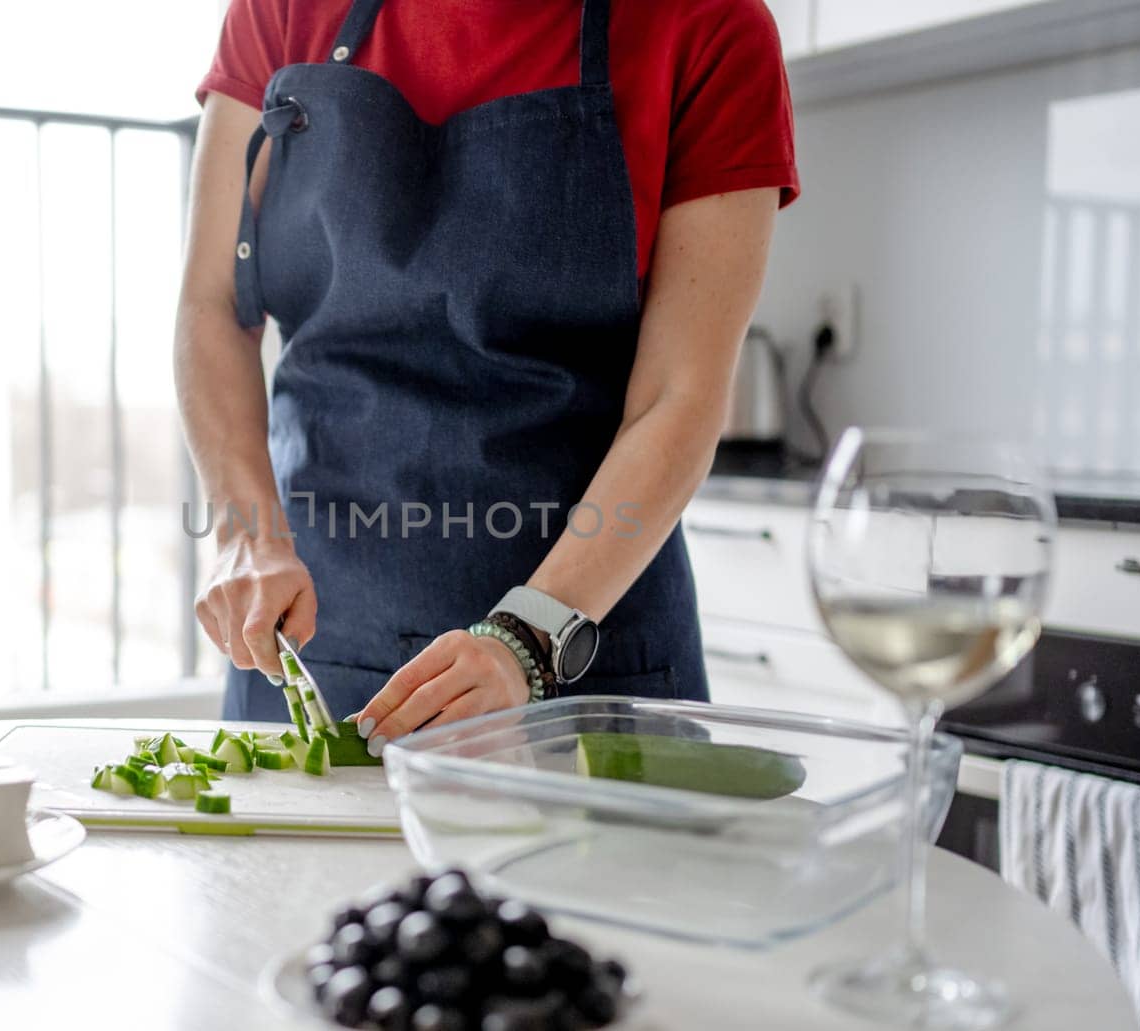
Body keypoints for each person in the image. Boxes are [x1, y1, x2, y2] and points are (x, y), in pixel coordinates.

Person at [176, 0, 799, 756]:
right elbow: (212, 308)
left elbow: (682, 394)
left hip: (583, 661)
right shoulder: (282, 11)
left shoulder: (710, 25)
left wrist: (527, 638)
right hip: (315, 645)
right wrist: (246, 530)